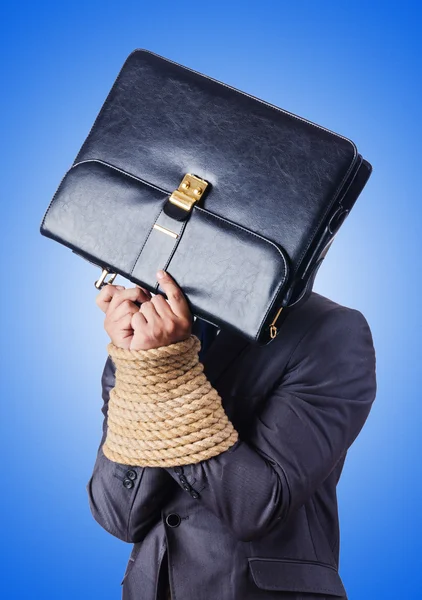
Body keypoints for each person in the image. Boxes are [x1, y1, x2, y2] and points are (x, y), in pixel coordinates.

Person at [87, 268, 377, 600]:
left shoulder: (332, 331)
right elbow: (118, 516)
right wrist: (144, 366)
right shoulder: (147, 333)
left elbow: (256, 508)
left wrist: (169, 380)